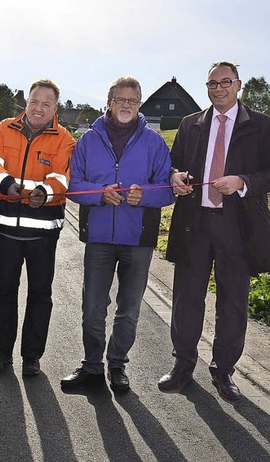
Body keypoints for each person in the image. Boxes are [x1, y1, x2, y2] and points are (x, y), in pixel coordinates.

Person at [158, 62, 270, 401]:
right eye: (212, 83)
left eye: (225, 82)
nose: (218, 88)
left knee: (233, 302)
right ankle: (183, 364)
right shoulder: (191, 123)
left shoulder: (262, 126)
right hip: (195, 223)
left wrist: (244, 182)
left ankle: (223, 371)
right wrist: (175, 176)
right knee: (186, 298)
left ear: (238, 85)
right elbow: (174, 164)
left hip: (238, 226)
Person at [60, 77, 174, 391]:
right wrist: (99, 193)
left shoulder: (154, 142)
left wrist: (145, 196)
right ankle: (93, 367)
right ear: (109, 102)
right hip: (98, 237)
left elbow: (167, 188)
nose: (126, 105)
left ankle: (117, 365)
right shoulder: (88, 140)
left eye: (133, 101)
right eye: (120, 99)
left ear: (140, 105)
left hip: (137, 238)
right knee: (93, 307)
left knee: (130, 308)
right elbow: (73, 185)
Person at [0, 79, 75, 376]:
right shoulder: (3, 129)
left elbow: (63, 178)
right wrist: (5, 183)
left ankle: (32, 357)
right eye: (35, 101)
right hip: (7, 230)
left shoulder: (64, 139)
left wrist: (46, 193)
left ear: (55, 108)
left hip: (43, 233)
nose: (39, 108)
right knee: (4, 293)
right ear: (27, 102)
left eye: (46, 104)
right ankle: (0, 353)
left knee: (40, 294)